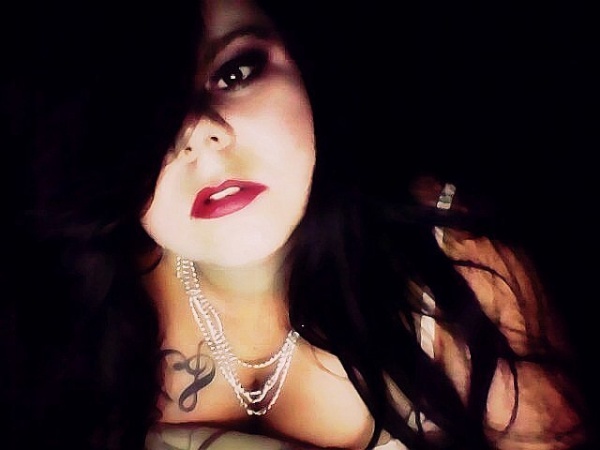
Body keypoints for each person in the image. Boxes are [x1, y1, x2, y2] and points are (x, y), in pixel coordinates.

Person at [2, 0, 593, 449]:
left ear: (306, 65)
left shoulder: (453, 260)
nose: (198, 135)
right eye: (143, 113)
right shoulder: (72, 301)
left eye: (236, 72)